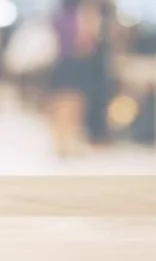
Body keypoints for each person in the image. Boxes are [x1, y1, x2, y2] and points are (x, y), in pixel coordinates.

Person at [47, 0, 100, 157]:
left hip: (60, 61)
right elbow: (85, 43)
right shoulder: (82, 14)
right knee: (73, 104)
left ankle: (61, 143)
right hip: (75, 63)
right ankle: (68, 142)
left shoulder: (58, 16)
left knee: (60, 103)